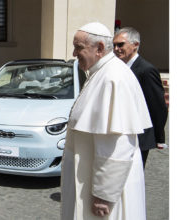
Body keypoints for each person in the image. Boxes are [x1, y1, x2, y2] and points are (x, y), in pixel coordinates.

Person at [61, 22, 152, 220]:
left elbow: (117, 145)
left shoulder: (113, 78)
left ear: (100, 48)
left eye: (79, 47)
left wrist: (104, 195)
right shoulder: (100, 73)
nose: (74, 54)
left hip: (103, 196)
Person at [113, 27, 168, 167]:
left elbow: (157, 106)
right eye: (114, 45)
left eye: (120, 44)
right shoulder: (119, 67)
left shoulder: (146, 70)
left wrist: (159, 137)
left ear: (135, 45)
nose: (116, 48)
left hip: (140, 136)